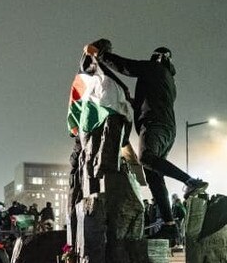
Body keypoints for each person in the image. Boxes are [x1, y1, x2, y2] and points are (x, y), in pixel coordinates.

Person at [84, 44, 208, 242]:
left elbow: (126, 67)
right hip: (166, 128)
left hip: (154, 123)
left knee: (146, 158)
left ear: (158, 58)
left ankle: (190, 181)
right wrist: (132, 102)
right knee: (154, 175)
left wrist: (100, 54)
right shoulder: (167, 80)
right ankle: (169, 226)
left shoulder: (155, 68)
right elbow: (150, 99)